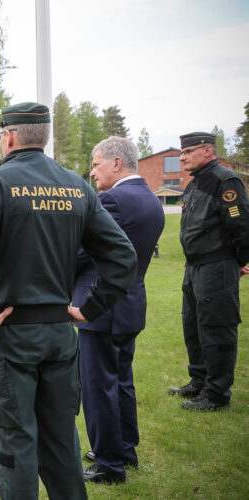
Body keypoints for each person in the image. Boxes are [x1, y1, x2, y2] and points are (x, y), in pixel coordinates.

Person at [0, 102, 137, 499]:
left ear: (10, 136)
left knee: (16, 443)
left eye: (1, 137)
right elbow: (123, 257)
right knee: (61, 442)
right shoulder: (75, 185)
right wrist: (90, 308)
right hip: (59, 335)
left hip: (12, 335)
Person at [72, 136, 165, 484]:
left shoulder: (112, 200)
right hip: (130, 304)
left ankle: (108, 464)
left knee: (98, 388)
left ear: (116, 163)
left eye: (96, 164)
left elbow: (84, 252)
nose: (92, 172)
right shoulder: (151, 200)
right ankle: (124, 450)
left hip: (101, 307)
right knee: (122, 382)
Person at [168, 132, 249, 411]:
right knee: (193, 326)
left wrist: (239, 260)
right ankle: (199, 381)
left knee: (217, 328)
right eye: (181, 153)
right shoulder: (194, 183)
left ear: (207, 151)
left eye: (188, 151)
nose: (182, 157)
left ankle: (216, 394)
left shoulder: (224, 180)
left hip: (216, 266)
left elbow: (241, 225)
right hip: (194, 267)